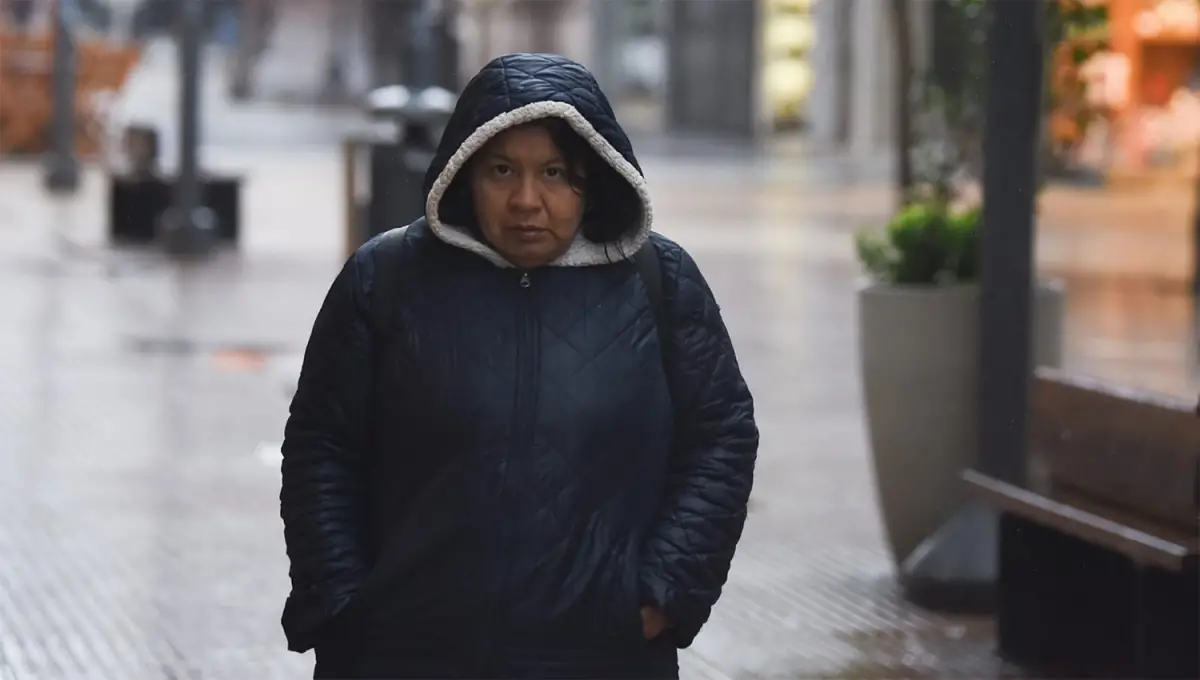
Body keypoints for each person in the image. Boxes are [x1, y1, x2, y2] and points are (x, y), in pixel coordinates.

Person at [280, 53, 758, 679]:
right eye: (502, 170)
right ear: (464, 171)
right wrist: (345, 607)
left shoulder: (659, 282)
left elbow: (720, 438)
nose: (527, 200)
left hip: (599, 655)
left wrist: (663, 594)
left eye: (555, 173)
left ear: (595, 178)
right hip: (405, 653)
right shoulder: (386, 277)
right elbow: (322, 445)